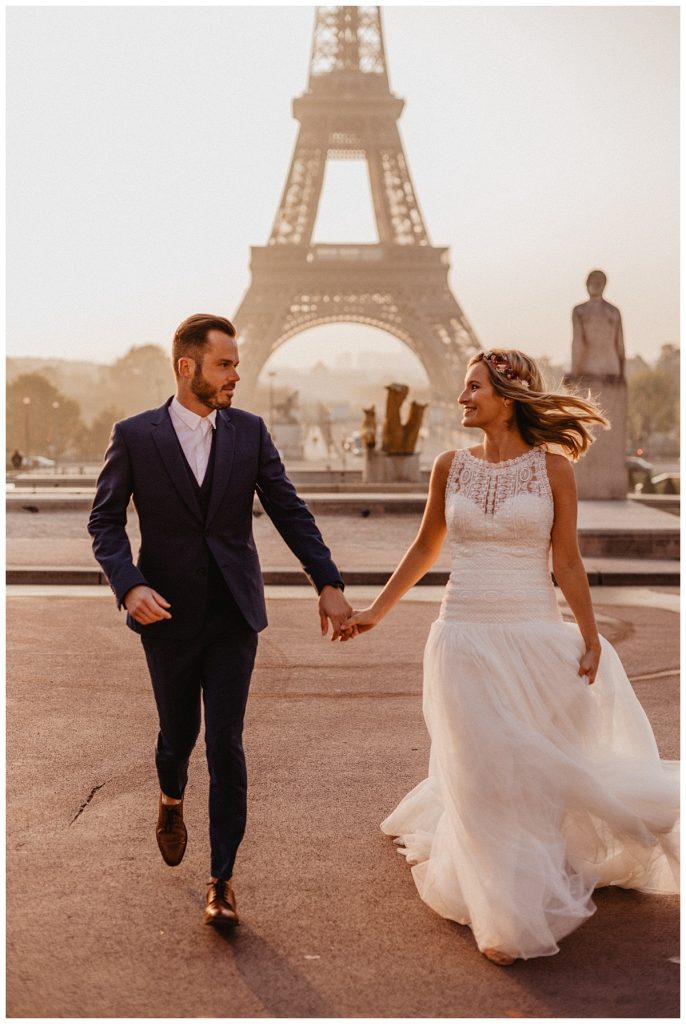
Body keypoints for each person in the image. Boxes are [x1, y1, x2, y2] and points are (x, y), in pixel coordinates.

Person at [342, 349, 679, 963]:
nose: (462, 398)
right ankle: (502, 910)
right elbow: (424, 549)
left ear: (508, 395)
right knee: (482, 772)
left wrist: (589, 633)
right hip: (462, 637)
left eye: (473, 388)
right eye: (463, 387)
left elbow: (567, 561)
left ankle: (521, 882)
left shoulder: (554, 470)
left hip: (532, 638)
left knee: (525, 775)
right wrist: (374, 611)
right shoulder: (450, 466)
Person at [88, 313, 352, 928]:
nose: (237, 375)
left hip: (234, 614)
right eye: (225, 364)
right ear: (189, 368)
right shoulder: (134, 435)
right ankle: (171, 799)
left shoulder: (250, 433)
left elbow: (289, 509)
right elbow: (104, 523)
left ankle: (222, 880)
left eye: (236, 364)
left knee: (226, 744)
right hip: (167, 615)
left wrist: (328, 581)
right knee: (177, 737)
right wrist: (129, 586)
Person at [571, 269, 625, 378]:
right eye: (593, 282)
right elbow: (620, 346)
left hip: (589, 369)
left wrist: (574, 372)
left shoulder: (580, 311)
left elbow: (578, 343)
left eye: (598, 283)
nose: (595, 285)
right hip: (611, 369)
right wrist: (622, 374)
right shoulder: (613, 311)